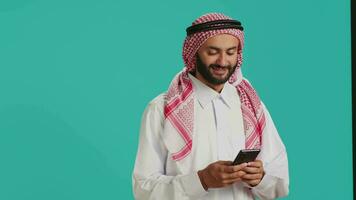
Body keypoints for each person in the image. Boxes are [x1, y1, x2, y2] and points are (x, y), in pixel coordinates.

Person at [132, 12, 289, 200]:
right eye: (213, 52)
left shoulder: (252, 107)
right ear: (194, 52)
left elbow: (280, 185)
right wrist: (201, 180)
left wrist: (260, 179)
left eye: (230, 52)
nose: (223, 61)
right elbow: (143, 190)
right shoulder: (161, 109)